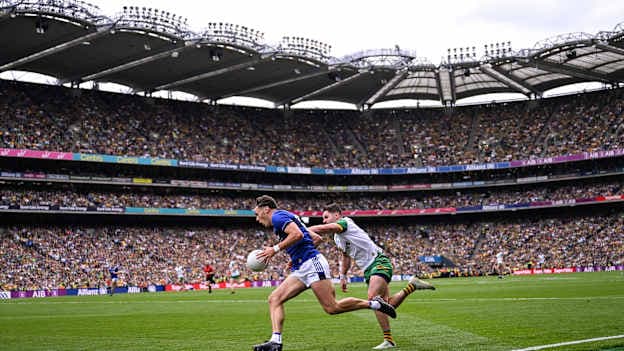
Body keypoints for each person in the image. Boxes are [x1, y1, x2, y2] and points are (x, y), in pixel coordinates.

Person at [252, 195, 396, 351]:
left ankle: (375, 304)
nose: (257, 218)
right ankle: (276, 342)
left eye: (256, 213)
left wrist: (274, 250)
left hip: (312, 264)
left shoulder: (278, 217)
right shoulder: (283, 217)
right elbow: (317, 238)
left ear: (266, 209)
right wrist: (296, 256)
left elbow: (298, 235)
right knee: (275, 298)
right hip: (302, 266)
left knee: (332, 307)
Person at [308, 203, 435, 350]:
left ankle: (389, 340)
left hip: (378, 262)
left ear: (336, 214)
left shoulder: (345, 222)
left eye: (326, 217)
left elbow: (327, 228)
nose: (324, 221)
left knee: (374, 299)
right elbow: (346, 257)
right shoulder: (337, 238)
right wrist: (343, 275)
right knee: (386, 305)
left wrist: (305, 229)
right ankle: (412, 286)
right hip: (368, 269)